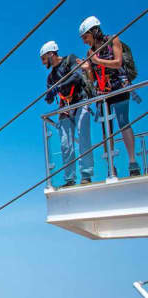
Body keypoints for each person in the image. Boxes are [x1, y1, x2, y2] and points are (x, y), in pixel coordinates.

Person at [79, 16, 141, 177]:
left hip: (119, 88)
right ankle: (111, 166)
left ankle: (132, 162)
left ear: (94, 31)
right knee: (107, 131)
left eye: (85, 36)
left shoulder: (113, 40)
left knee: (123, 122)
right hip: (103, 93)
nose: (84, 41)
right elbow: (93, 78)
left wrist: (97, 60)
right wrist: (87, 69)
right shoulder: (90, 52)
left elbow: (118, 62)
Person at [41, 40, 94, 186]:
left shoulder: (69, 60)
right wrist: (50, 96)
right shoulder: (50, 77)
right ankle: (69, 178)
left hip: (80, 101)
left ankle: (86, 174)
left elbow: (76, 76)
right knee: (65, 144)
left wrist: (58, 88)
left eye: (44, 58)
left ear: (51, 54)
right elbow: (51, 96)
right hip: (65, 108)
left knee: (83, 137)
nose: (43, 62)